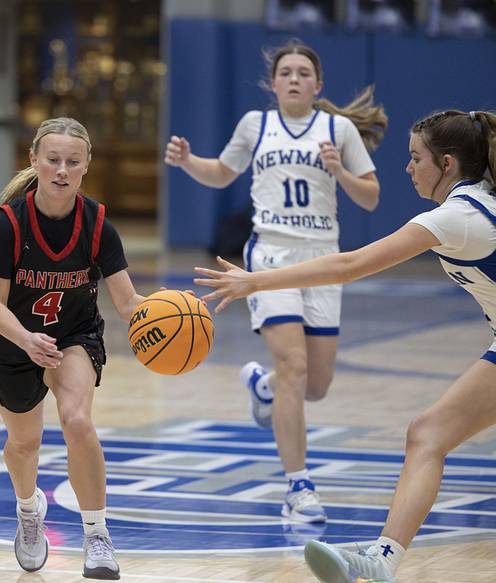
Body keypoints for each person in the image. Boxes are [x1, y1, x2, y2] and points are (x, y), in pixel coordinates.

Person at [194, 109, 496, 583]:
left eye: (416, 158)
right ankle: (382, 560)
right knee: (426, 435)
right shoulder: (476, 202)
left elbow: (349, 265)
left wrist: (256, 281)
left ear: (448, 164)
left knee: (427, 436)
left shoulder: (457, 216)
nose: (407, 167)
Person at [164, 40, 387, 523]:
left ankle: (263, 389)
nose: (293, 79)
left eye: (303, 72)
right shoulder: (255, 125)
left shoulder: (338, 129)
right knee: (294, 366)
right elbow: (222, 173)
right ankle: (298, 487)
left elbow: (370, 198)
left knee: (317, 385)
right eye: (285, 71)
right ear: (273, 82)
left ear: (317, 84)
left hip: (323, 258)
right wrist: (187, 161)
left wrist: (340, 171)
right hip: (268, 256)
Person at [0, 117, 147, 580]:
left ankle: (96, 535)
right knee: (24, 443)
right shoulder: (10, 223)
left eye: (72, 162)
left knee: (77, 420)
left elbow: (129, 302)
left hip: (74, 335)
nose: (61, 169)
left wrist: (174, 310)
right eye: (52, 160)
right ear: (34, 160)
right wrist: (26, 340)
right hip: (15, 339)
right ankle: (29, 509)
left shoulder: (97, 225)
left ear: (86, 166)